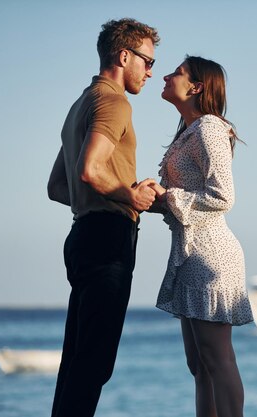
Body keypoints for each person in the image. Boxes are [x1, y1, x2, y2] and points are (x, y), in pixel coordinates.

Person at [46, 18, 160, 417]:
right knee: (94, 361)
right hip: (107, 238)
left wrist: (96, 198)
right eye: (146, 61)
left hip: (83, 235)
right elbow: (88, 170)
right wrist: (128, 196)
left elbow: (57, 187)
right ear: (123, 55)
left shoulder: (81, 104)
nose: (150, 71)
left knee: (77, 358)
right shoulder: (114, 102)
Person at [148, 55, 253, 417]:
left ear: (196, 86)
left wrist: (168, 197)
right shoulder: (189, 132)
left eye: (175, 73)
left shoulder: (208, 128)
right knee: (199, 365)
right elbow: (183, 200)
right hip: (190, 254)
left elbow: (223, 195)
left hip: (211, 256)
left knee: (217, 360)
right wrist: (147, 197)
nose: (164, 75)